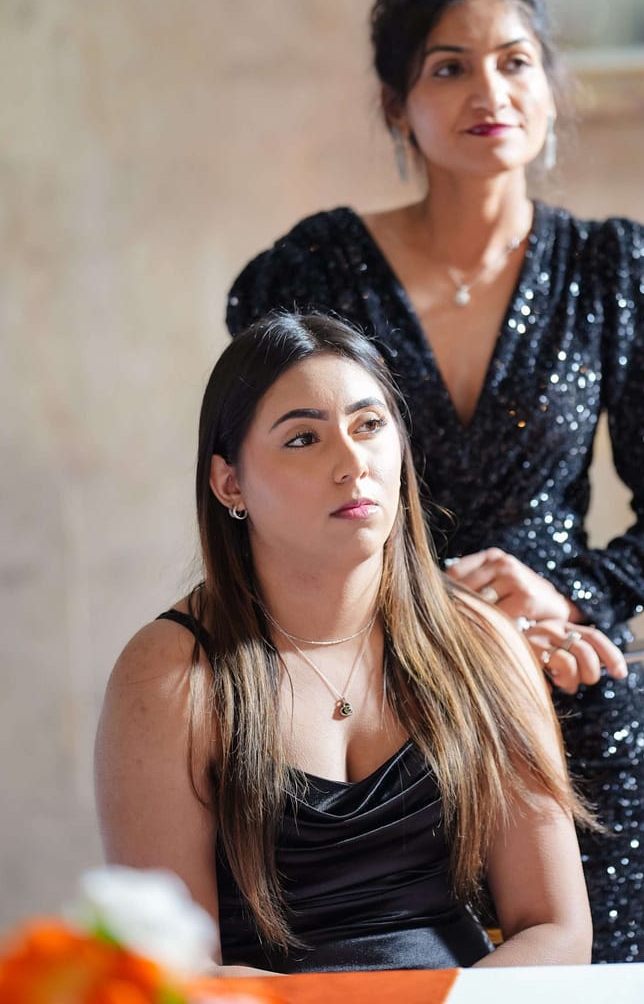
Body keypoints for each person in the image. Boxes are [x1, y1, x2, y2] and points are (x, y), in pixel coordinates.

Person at [226, 0, 644, 962]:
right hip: (378, 718)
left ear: (550, 85)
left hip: (569, 704)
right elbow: (271, 475)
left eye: (515, 62)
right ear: (396, 104)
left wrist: (568, 593)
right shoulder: (312, 269)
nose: (489, 92)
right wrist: (421, 603)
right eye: (449, 67)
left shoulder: (613, 266)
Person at [94, 311, 602, 974]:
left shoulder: (482, 643)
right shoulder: (168, 674)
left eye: (369, 425)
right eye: (303, 438)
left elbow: (558, 930)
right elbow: (169, 971)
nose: (353, 463)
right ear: (230, 483)